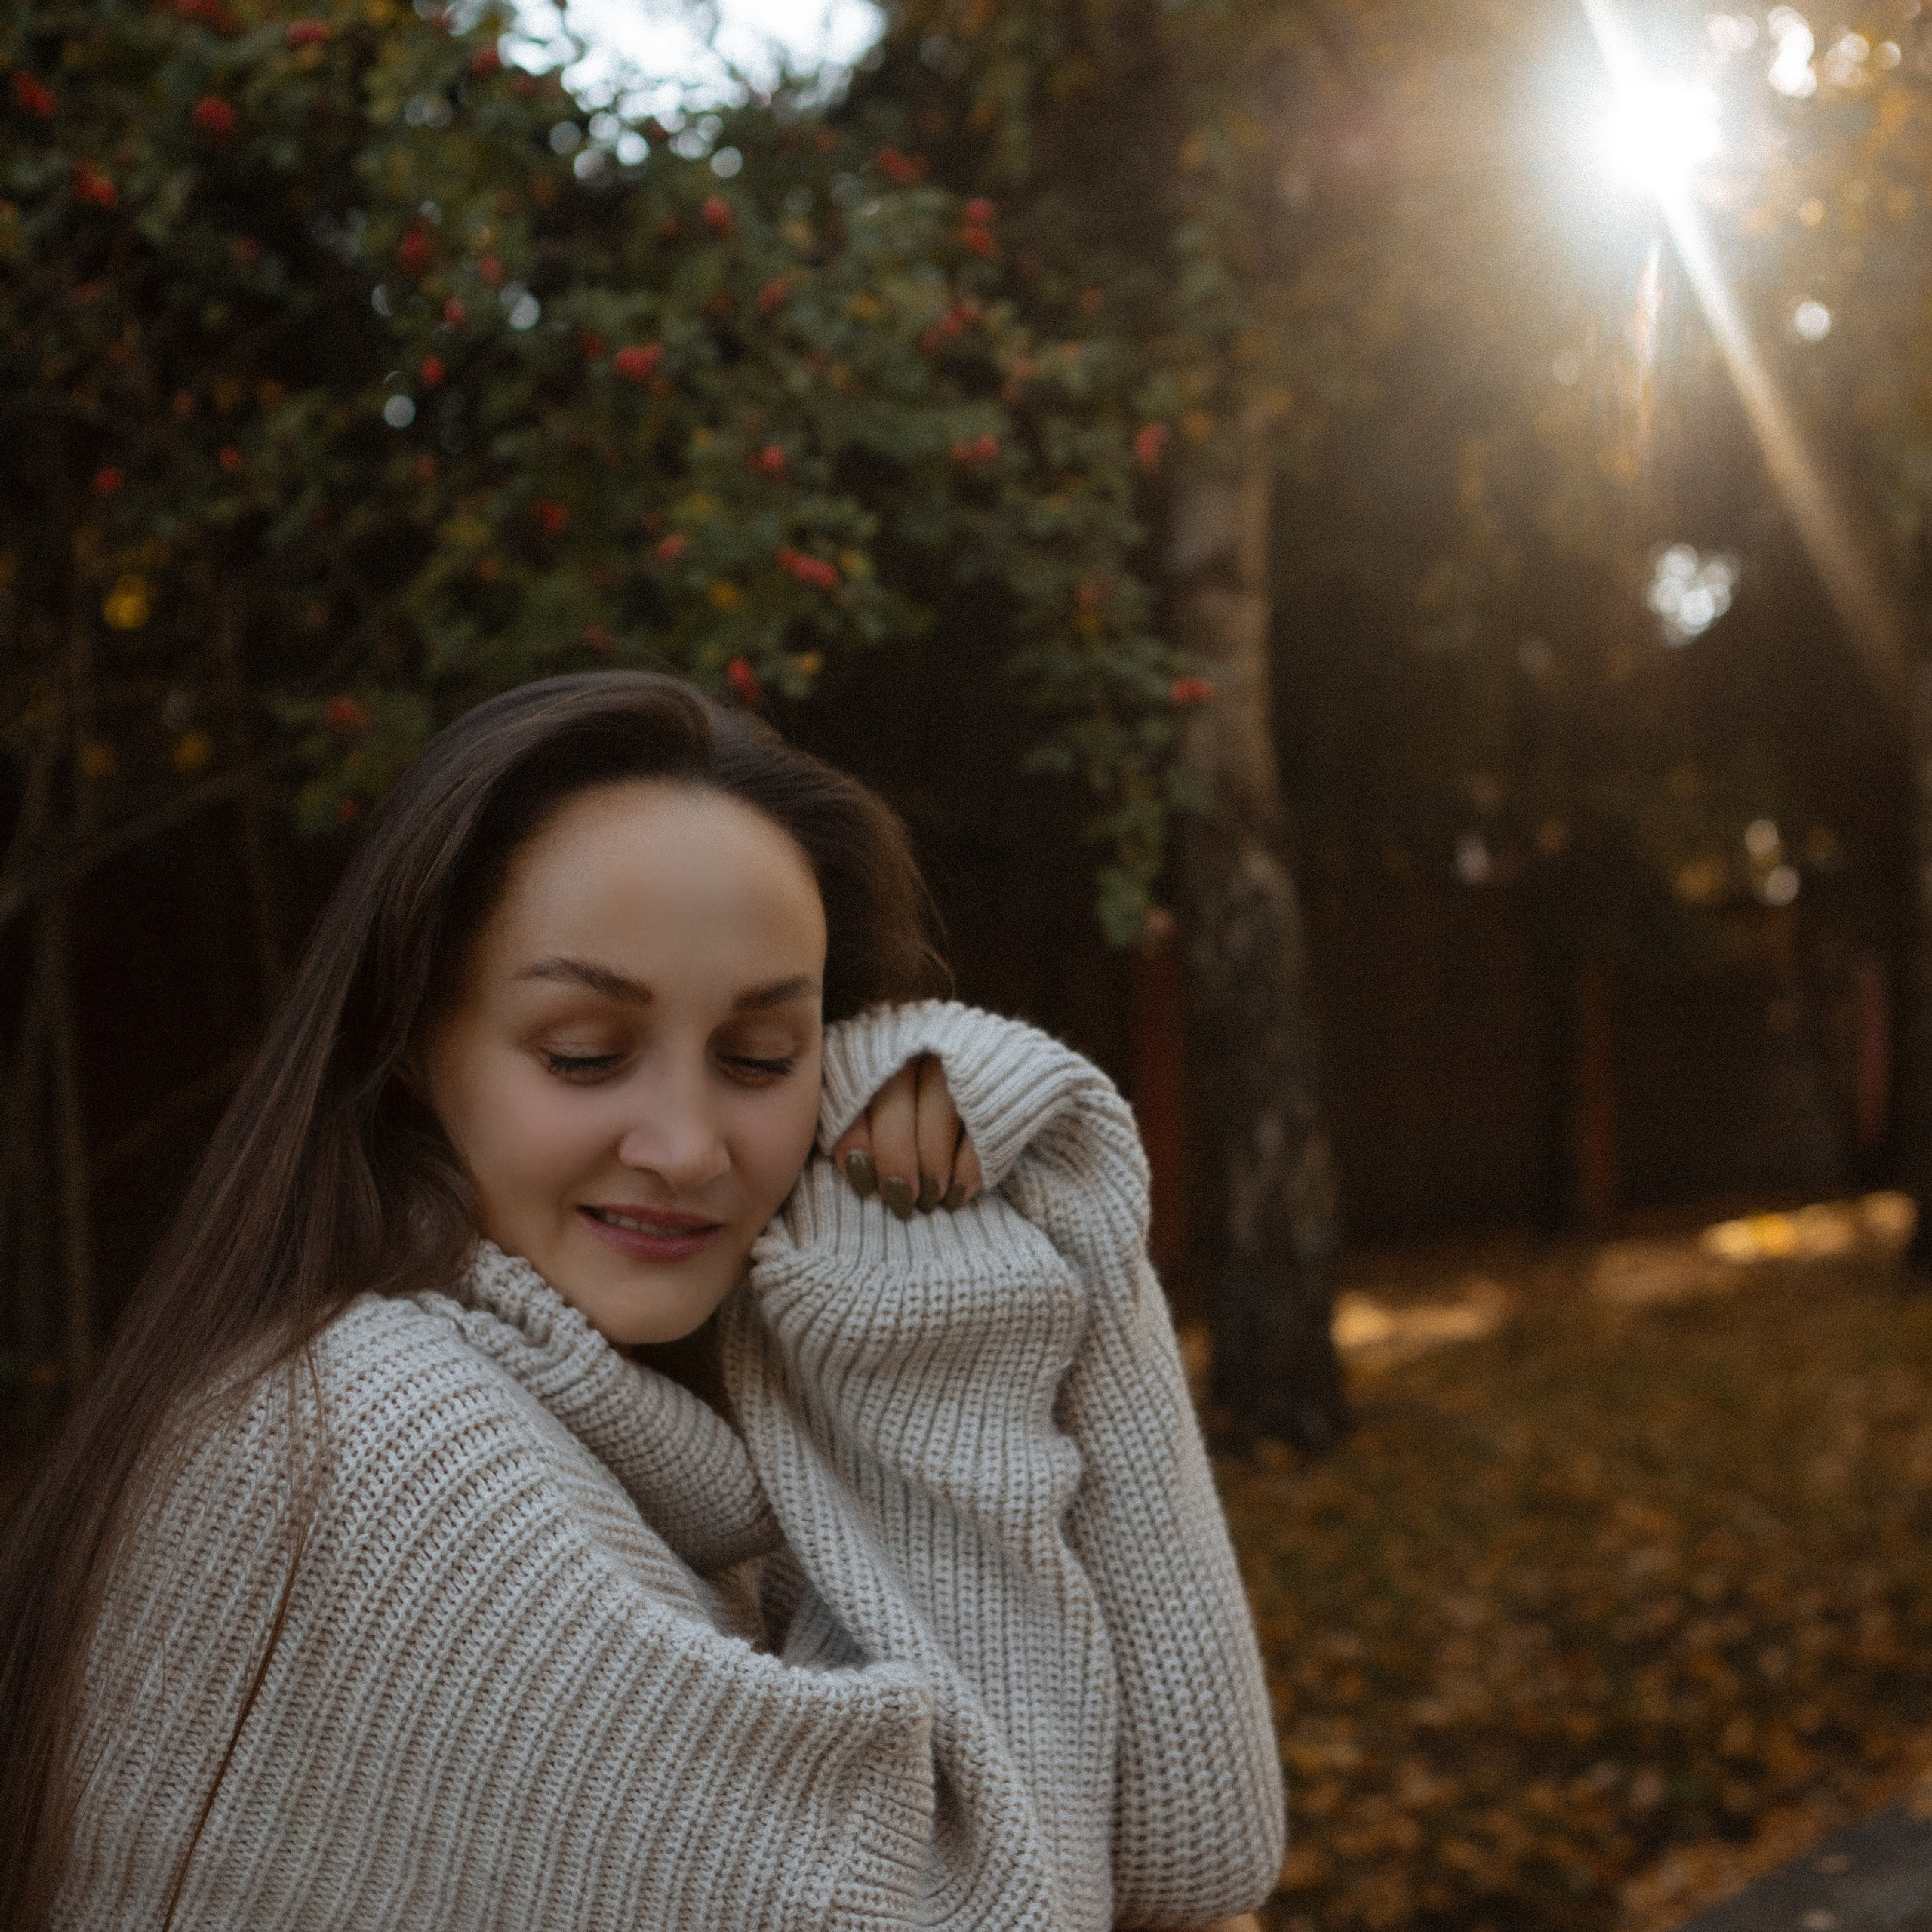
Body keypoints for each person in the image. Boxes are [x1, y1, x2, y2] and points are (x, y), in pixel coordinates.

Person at [0, 672, 1284, 1932]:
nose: (685, 1147)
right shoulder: (380, 1445)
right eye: (585, 1055)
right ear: (412, 1052)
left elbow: (1198, 1836)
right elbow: (1011, 1906)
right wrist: (935, 1305)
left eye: (761, 1058)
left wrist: (1050, 1186)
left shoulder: (678, 1448)